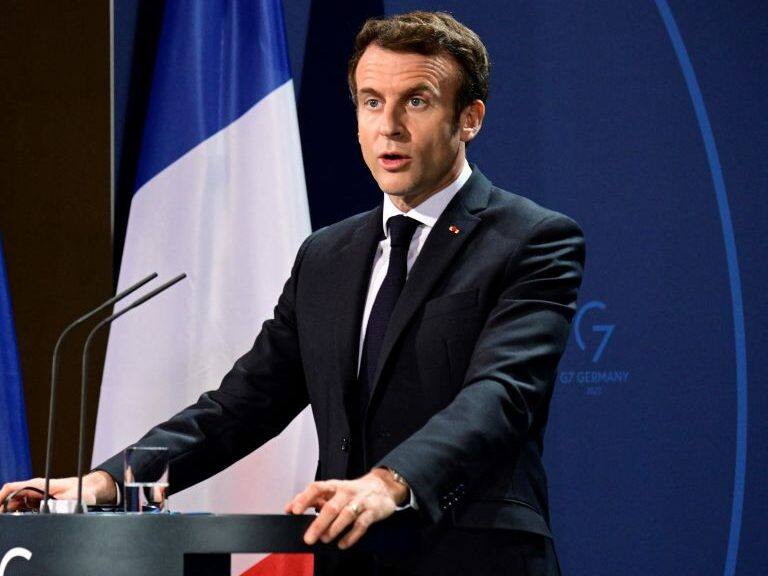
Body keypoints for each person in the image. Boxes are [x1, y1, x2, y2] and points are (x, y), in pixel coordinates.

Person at [1, 11, 584, 575]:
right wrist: (107, 482)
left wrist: (390, 481)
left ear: (470, 118)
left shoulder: (531, 240)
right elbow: (244, 403)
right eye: (371, 101)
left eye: (417, 101)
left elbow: (500, 395)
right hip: (347, 557)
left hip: (473, 557)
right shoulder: (327, 255)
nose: (390, 127)